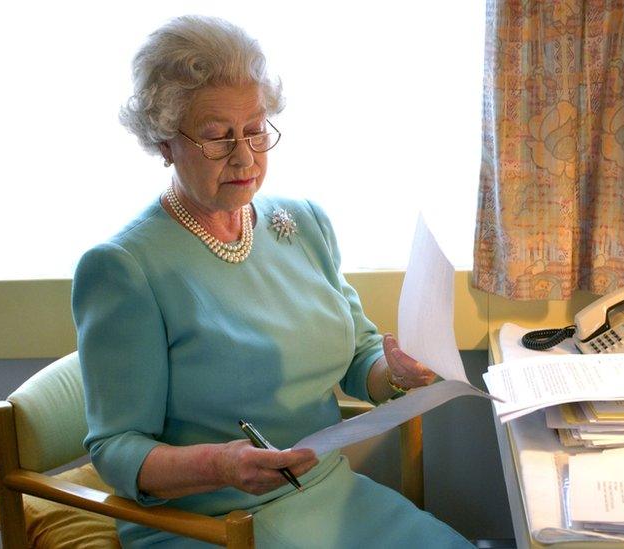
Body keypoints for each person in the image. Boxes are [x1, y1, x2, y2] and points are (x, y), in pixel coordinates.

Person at [72, 15, 472, 548]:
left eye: (257, 130)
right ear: (165, 142)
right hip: (212, 521)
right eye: (217, 138)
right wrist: (222, 465)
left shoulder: (303, 223)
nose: (245, 156)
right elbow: (116, 448)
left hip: (325, 492)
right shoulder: (124, 268)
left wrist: (394, 371)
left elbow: (359, 356)